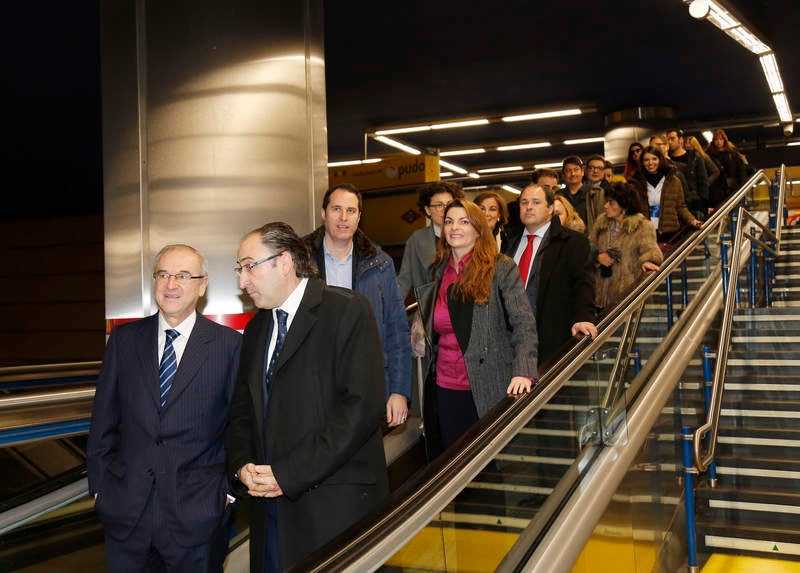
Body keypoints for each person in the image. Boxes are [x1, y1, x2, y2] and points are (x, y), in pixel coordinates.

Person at [226, 222, 388, 573]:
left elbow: (362, 407)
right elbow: (242, 409)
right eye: (240, 270)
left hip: (330, 505)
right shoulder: (256, 330)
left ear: (283, 262)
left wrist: (289, 473)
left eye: (249, 266)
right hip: (268, 510)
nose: (242, 281)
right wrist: (242, 465)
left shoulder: (345, 311)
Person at [87, 244, 242, 572]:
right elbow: (103, 421)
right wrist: (100, 489)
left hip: (197, 515)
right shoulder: (124, 340)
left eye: (183, 276)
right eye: (164, 274)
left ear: (202, 286)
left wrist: (227, 494)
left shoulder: (229, 345)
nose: (171, 284)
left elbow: (239, 424)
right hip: (125, 512)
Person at [414, 200, 537, 456]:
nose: (454, 227)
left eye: (463, 221)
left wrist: (523, 371)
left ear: (479, 229)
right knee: (452, 465)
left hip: (486, 384)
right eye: (449, 221)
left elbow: (523, 323)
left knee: (487, 469)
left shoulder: (500, 267)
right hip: (445, 387)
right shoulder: (437, 271)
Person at [302, 183, 411, 426]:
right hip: (312, 385)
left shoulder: (380, 264)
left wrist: (399, 391)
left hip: (366, 381)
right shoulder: (299, 261)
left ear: (360, 216)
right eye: (336, 209)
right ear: (323, 213)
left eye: (351, 211)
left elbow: (397, 329)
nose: (343, 218)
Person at [503, 184, 598, 369]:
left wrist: (584, 317)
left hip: (552, 341)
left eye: (536, 202)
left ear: (550, 208)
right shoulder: (509, 243)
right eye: (524, 202)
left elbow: (583, 283)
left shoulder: (573, 242)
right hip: (509, 343)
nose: (529, 207)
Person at [590, 182, 663, 310]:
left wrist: (647, 261)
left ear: (624, 206)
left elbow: (651, 250)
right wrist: (597, 257)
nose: (606, 206)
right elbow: (588, 247)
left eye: (611, 203)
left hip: (627, 294)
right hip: (599, 294)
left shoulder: (642, 226)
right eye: (606, 202)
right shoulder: (601, 225)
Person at [397, 181, 465, 300]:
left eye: (449, 204)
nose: (445, 209)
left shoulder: (467, 235)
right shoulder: (416, 240)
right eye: (439, 205)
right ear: (428, 210)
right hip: (431, 308)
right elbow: (404, 280)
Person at [629, 145, 703, 244]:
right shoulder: (635, 183)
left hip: (670, 234)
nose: (650, 163)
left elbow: (680, 207)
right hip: (645, 234)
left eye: (654, 159)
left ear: (660, 159)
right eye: (646, 160)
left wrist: (692, 220)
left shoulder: (674, 181)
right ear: (642, 162)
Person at [667, 128, 709, 218]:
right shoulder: (667, 160)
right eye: (668, 140)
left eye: (672, 138)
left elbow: (703, 180)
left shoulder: (694, 157)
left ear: (681, 140)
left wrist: (702, 200)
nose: (669, 142)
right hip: (677, 203)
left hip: (695, 201)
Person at [705, 128, 748, 209]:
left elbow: (741, 169)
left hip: (732, 187)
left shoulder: (732, 152)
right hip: (716, 190)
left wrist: (742, 185)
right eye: (716, 139)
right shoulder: (709, 154)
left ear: (724, 140)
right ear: (713, 141)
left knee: (734, 209)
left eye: (721, 139)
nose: (718, 142)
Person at [685, 135, 721, 205]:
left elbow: (716, 171)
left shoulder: (703, 157)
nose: (687, 145)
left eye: (690, 143)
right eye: (686, 143)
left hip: (705, 189)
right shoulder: (687, 157)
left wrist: (706, 182)